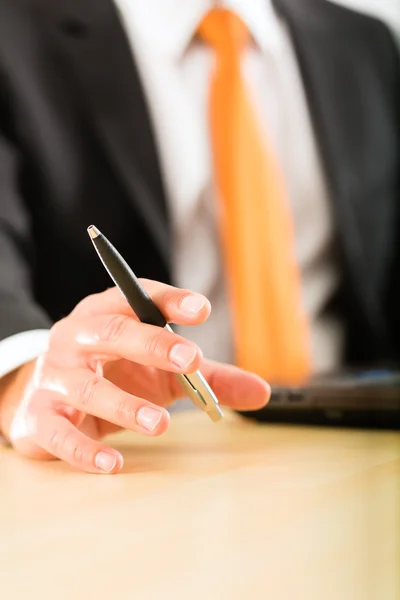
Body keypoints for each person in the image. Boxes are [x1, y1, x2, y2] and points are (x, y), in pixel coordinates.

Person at [0, 0, 399, 473]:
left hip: (352, 451)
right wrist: (21, 373)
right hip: (152, 456)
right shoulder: (13, 32)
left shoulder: (363, 42)